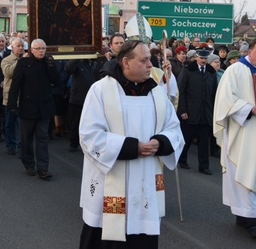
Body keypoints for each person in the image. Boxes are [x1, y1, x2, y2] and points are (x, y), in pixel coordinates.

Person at [78, 40, 184, 248]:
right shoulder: (100, 90)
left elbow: (174, 128)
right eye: (144, 60)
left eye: (150, 60)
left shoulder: (157, 93)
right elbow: (89, 135)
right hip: (110, 180)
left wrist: (160, 143)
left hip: (145, 180)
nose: (149, 65)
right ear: (126, 62)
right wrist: (131, 147)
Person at [213, 37, 256, 239]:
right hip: (245, 131)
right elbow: (225, 100)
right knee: (246, 171)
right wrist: (248, 109)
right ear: (249, 52)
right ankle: (249, 219)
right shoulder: (235, 71)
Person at [7, 39, 61, 180]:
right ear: (31, 50)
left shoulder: (48, 63)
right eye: (38, 48)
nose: (41, 51)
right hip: (27, 107)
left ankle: (43, 168)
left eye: (43, 48)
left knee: (42, 138)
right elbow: (15, 85)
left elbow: (57, 81)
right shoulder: (23, 64)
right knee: (26, 138)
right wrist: (12, 105)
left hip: (44, 107)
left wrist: (51, 66)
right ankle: (29, 164)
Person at [177, 49, 216, 174]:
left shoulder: (211, 72)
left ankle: (204, 166)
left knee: (204, 142)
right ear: (196, 58)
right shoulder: (188, 70)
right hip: (191, 111)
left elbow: (214, 93)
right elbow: (181, 91)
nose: (203, 60)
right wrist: (182, 110)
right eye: (201, 58)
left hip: (206, 112)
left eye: (205, 58)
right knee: (187, 139)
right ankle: (182, 160)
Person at [1, 38, 25, 155]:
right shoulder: (7, 60)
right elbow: (9, 73)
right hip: (10, 97)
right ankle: (11, 145)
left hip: (24, 97)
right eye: (18, 46)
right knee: (10, 124)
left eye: (22, 46)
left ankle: (21, 147)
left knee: (22, 125)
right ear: (12, 47)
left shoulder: (28, 59)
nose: (21, 48)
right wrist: (20, 61)